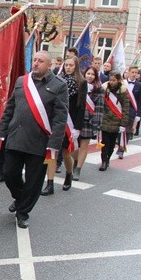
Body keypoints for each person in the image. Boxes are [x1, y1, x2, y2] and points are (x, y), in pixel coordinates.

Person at [0, 51, 68, 229]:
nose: (36, 63)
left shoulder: (59, 86)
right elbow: (11, 106)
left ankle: (23, 212)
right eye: (34, 60)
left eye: (41, 61)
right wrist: (3, 128)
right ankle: (20, 198)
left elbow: (60, 119)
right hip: (16, 137)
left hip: (40, 142)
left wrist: (54, 144)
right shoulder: (23, 81)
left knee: (34, 181)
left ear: (49, 65)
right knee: (9, 174)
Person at [41, 55, 85, 195]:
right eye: (66, 65)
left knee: (66, 153)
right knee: (52, 151)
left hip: (70, 121)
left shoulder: (81, 82)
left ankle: (69, 173)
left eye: (71, 65)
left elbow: (81, 106)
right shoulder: (58, 79)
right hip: (55, 120)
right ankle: (50, 183)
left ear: (76, 67)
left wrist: (77, 128)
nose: (68, 67)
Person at [75, 65, 104, 180]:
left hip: (89, 121)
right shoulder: (78, 86)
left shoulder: (99, 89)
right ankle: (75, 161)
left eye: (93, 74)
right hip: (76, 120)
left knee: (83, 146)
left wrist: (97, 125)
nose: (90, 76)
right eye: (88, 73)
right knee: (73, 146)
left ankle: (78, 169)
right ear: (84, 74)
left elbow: (99, 108)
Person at [98, 72, 130, 171]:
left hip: (117, 120)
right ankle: (103, 161)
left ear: (118, 80)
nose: (111, 82)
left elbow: (125, 108)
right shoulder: (104, 90)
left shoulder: (123, 92)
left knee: (112, 143)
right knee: (104, 143)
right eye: (110, 80)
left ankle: (108, 159)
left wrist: (123, 124)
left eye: (114, 80)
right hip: (105, 119)